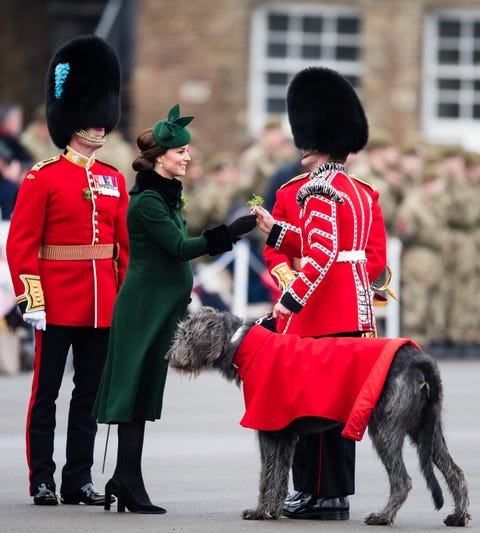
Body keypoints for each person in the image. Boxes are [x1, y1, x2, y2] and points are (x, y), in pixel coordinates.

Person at [92, 104, 256, 514]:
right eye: (181, 151)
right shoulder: (148, 200)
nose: (187, 157)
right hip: (142, 309)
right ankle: (127, 480)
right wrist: (229, 233)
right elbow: (180, 249)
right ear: (161, 156)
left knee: (145, 392)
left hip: (160, 307)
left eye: (187, 151)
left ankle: (125, 477)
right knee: (132, 393)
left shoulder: (165, 195)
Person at [252, 66, 389, 520]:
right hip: (351, 307)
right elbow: (337, 249)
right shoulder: (358, 191)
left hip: (321, 308)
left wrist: (289, 301)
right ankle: (322, 491)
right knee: (336, 404)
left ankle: (323, 494)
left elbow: (325, 253)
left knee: (315, 404)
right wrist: (279, 236)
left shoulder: (319, 188)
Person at [6, 35, 129, 506]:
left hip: (101, 304)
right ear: (72, 122)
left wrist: (123, 297)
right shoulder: (44, 177)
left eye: (101, 121)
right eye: (90, 120)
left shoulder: (114, 180)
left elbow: (122, 248)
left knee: (89, 398)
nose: (97, 128)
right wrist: (31, 296)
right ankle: (41, 478)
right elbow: (21, 245)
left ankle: (78, 479)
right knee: (46, 396)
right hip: (55, 301)